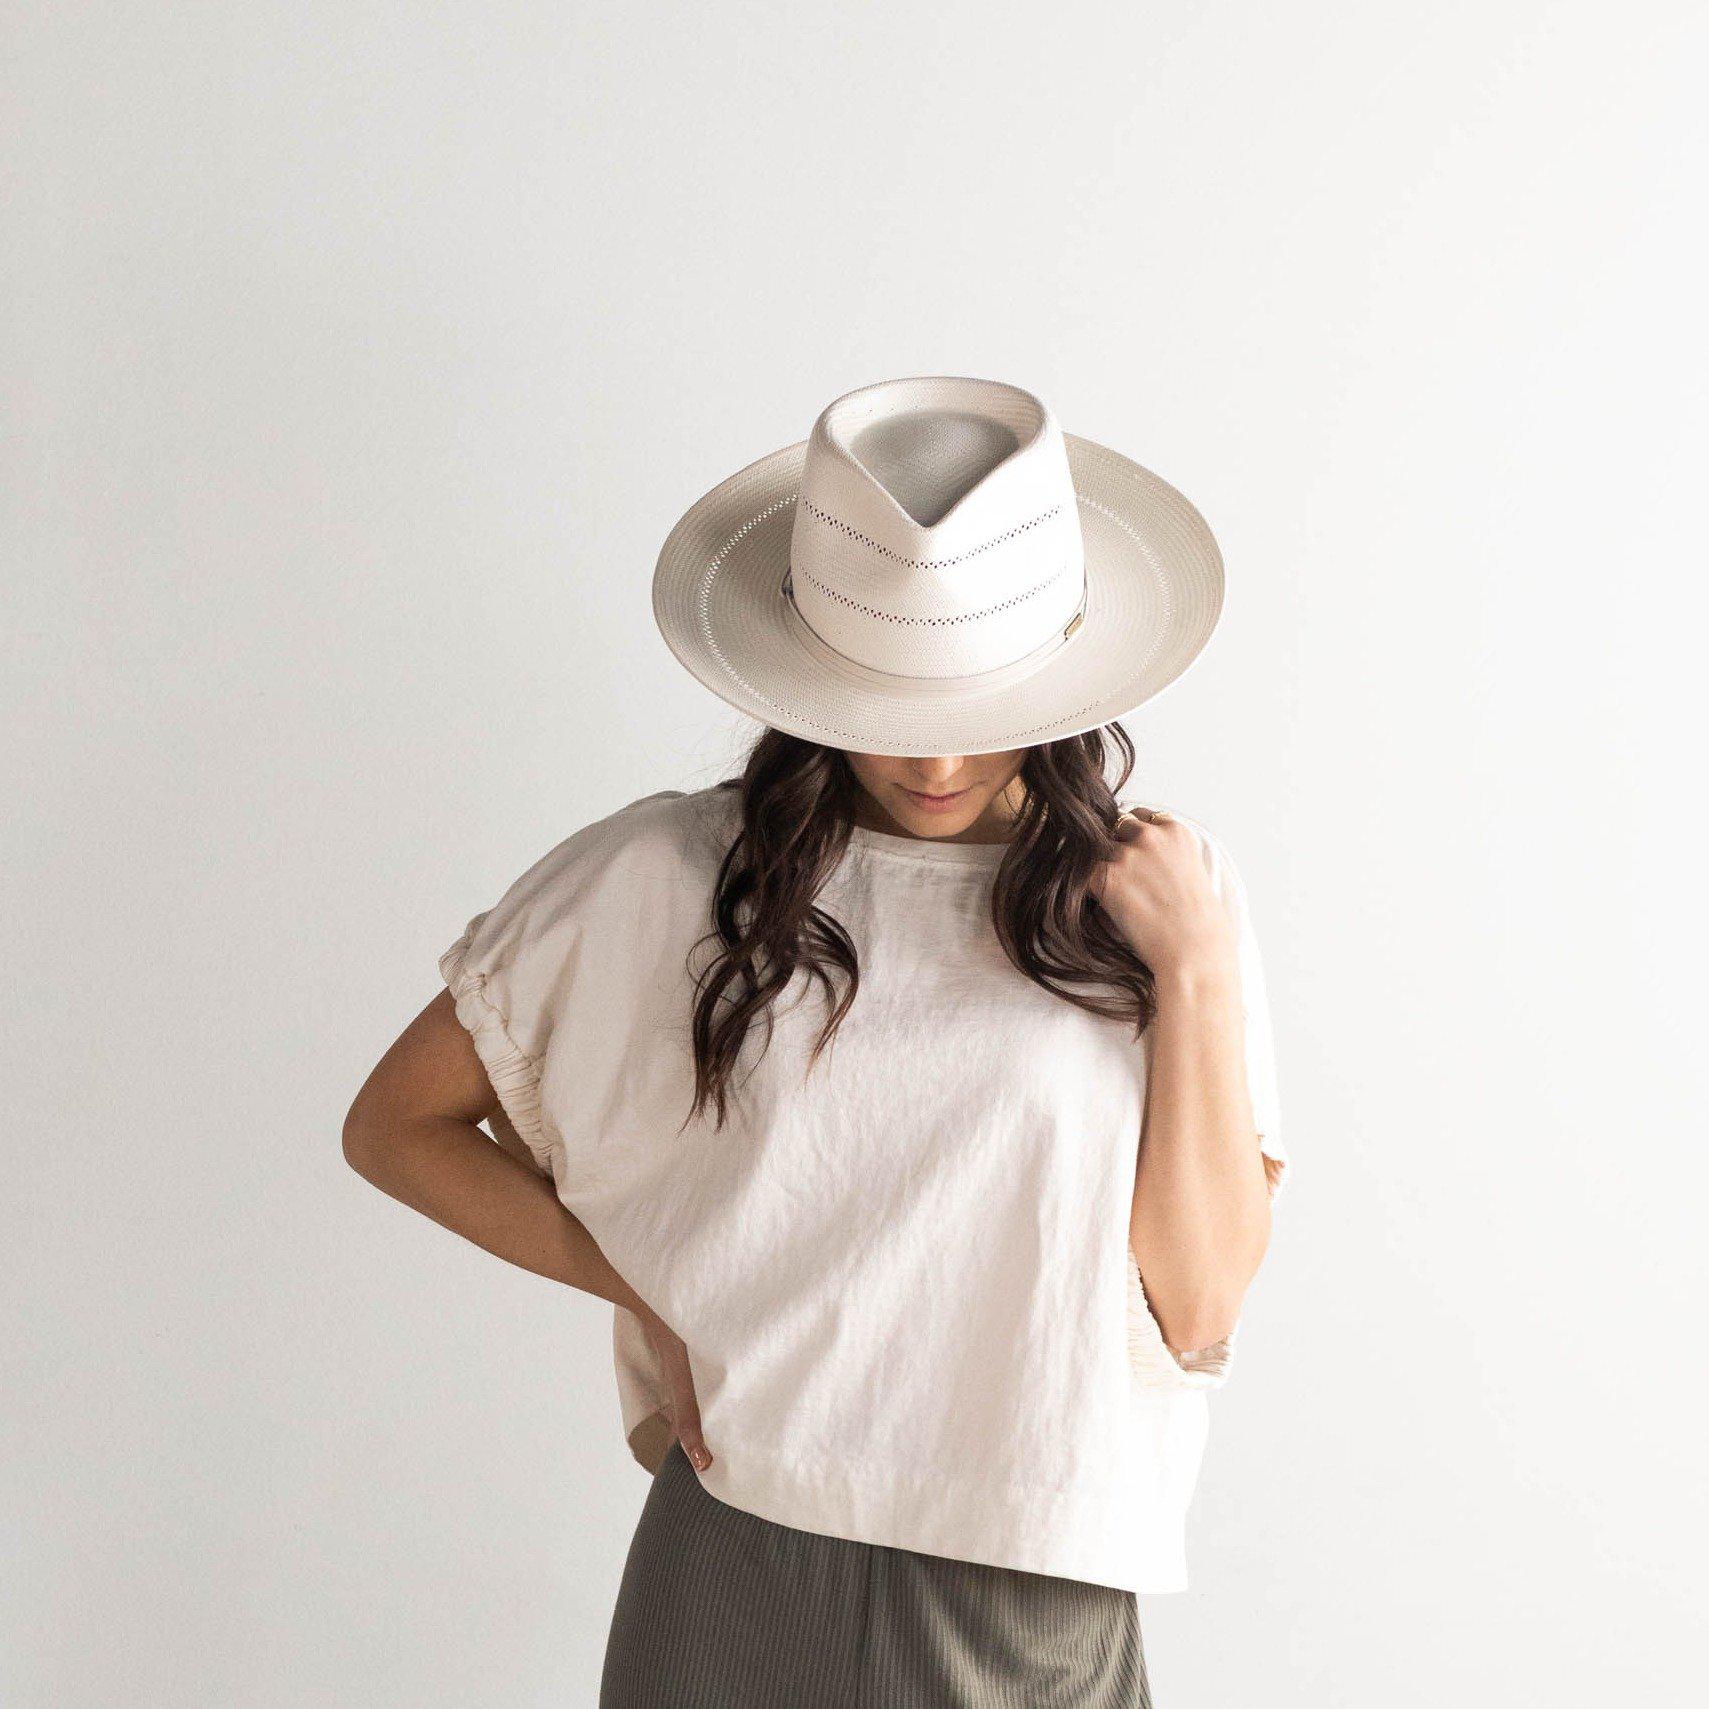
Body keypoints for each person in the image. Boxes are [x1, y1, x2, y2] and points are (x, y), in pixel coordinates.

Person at [343, 376, 1290, 1707]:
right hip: (744, 1534)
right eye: (882, 697)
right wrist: (639, 1281)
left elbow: (1197, 1307)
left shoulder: (1162, 903)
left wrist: (1190, 969)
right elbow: (395, 1123)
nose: (935, 758)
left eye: (974, 695)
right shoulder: (663, 871)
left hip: (1030, 1571)